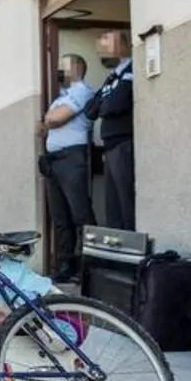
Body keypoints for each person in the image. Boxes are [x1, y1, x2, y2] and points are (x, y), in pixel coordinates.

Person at [37, 54, 97, 283]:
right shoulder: (60, 97)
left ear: (78, 67)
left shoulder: (82, 91)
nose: (59, 70)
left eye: (64, 65)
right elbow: (43, 126)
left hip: (72, 157)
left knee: (80, 213)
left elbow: (55, 120)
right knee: (60, 216)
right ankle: (65, 266)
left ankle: (90, 267)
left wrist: (50, 118)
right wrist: (49, 118)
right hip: (54, 160)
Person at [85, 29, 135, 231]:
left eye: (105, 49)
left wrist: (105, 105)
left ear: (121, 46)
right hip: (110, 146)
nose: (101, 55)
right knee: (112, 207)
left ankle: (134, 255)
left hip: (124, 143)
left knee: (127, 203)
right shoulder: (111, 78)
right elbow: (91, 110)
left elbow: (117, 104)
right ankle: (118, 259)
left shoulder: (131, 69)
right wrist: (106, 104)